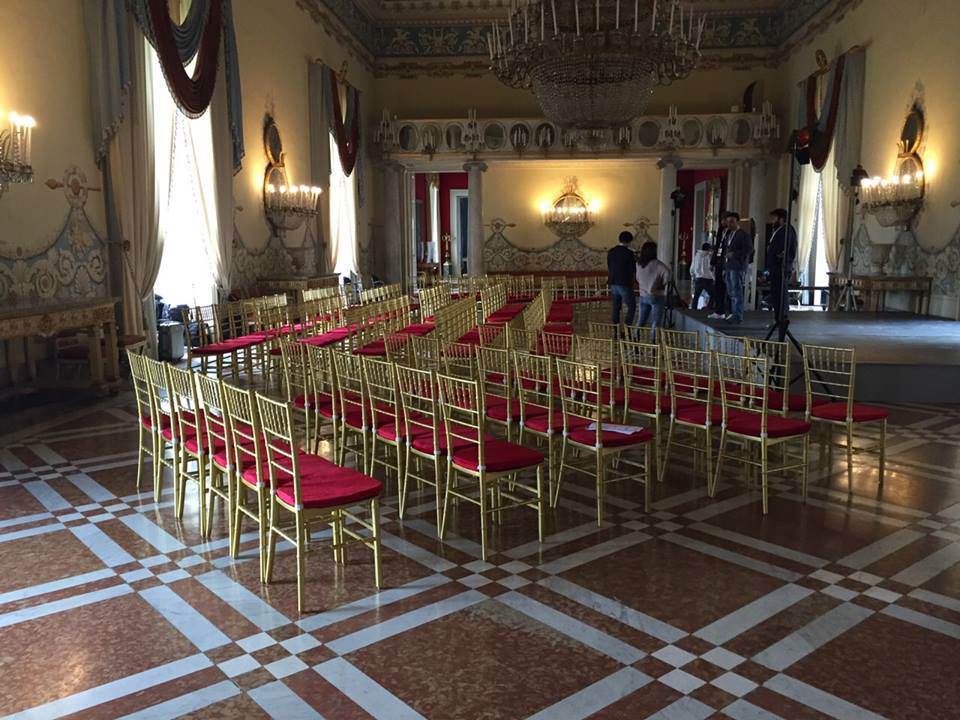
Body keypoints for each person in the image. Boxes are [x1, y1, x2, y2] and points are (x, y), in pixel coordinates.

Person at [765, 208, 798, 319]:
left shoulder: (787, 230)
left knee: (780, 294)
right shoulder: (780, 230)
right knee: (776, 294)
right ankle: (778, 318)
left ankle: (781, 318)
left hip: (781, 267)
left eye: (774, 218)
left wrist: (779, 254)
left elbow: (787, 248)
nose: (772, 221)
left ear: (781, 219)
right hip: (776, 267)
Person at [722, 212, 753, 324]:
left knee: (736, 291)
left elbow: (749, 249)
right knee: (731, 291)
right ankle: (733, 313)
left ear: (737, 222)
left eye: (732, 222)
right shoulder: (728, 234)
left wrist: (734, 254)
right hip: (729, 265)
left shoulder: (744, 235)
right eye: (728, 222)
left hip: (737, 266)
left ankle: (738, 315)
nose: (729, 224)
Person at [635, 241, 672, 334]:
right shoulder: (659, 265)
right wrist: (662, 284)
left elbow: (637, 278)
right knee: (656, 322)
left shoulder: (639, 264)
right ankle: (654, 340)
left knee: (641, 321)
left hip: (643, 295)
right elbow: (668, 275)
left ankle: (634, 337)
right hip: (656, 295)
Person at [607, 231, 637, 325]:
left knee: (616, 306)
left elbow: (609, 265)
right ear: (630, 241)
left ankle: (616, 327)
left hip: (613, 282)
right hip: (624, 282)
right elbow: (633, 269)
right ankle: (627, 326)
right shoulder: (629, 253)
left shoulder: (611, 251)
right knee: (631, 305)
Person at [707, 213, 730, 319]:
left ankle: (729, 311)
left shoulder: (731, 232)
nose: (722, 222)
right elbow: (717, 247)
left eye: (724, 220)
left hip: (727, 263)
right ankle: (719, 310)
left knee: (728, 289)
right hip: (719, 262)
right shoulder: (721, 231)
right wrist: (713, 262)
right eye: (722, 220)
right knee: (718, 287)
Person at [690, 242, 715, 311]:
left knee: (696, 296)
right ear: (709, 248)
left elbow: (692, 268)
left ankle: (693, 310)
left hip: (698, 278)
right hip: (708, 279)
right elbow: (711, 269)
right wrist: (714, 278)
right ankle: (709, 307)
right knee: (713, 294)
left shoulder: (697, 256)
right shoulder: (709, 256)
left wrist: (693, 276)